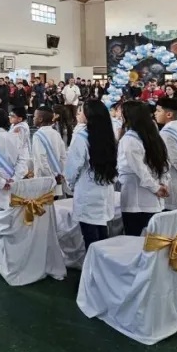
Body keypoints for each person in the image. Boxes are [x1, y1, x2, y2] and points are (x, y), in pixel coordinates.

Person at [65, 100, 118, 247]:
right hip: (104, 189)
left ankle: (93, 267)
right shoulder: (108, 135)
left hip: (87, 190)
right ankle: (102, 265)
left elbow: (73, 166)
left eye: (81, 111)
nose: (78, 114)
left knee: (90, 235)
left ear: (89, 116)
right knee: (102, 230)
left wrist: (70, 184)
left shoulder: (81, 136)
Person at [117, 101, 170, 235]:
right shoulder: (152, 135)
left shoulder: (129, 140)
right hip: (154, 195)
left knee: (135, 240)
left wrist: (157, 188)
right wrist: (163, 183)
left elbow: (140, 171)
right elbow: (164, 164)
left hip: (136, 200)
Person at [0, 108, 28, 212]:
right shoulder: (14, 137)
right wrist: (15, 178)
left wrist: (1, 182)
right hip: (13, 179)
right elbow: (22, 160)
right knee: (12, 213)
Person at [32, 106, 66, 196]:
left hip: (44, 179)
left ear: (40, 119)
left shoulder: (37, 136)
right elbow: (63, 156)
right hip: (57, 176)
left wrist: (51, 177)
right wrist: (60, 173)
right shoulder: (56, 133)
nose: (33, 118)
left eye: (34, 116)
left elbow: (41, 159)